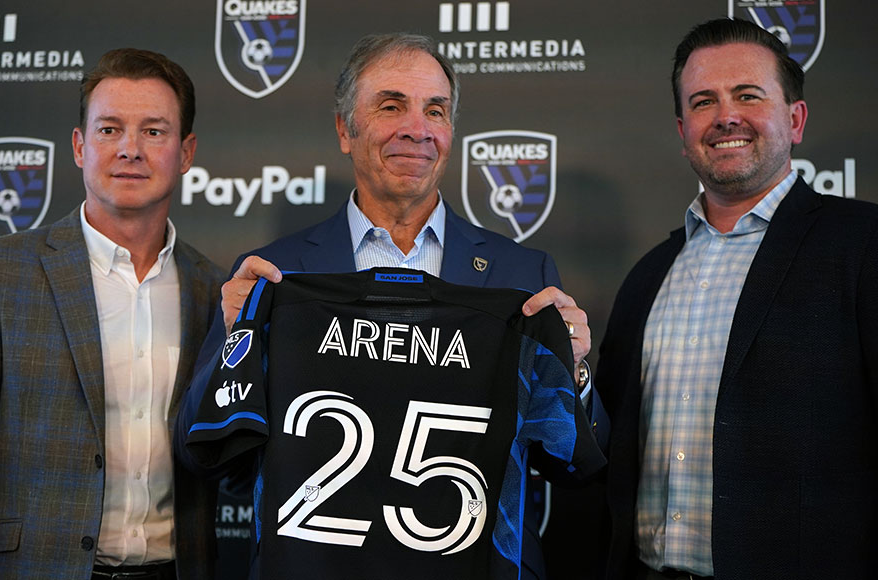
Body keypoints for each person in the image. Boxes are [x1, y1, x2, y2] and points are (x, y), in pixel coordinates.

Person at [176, 33, 608, 580]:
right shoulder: (274, 274)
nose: (418, 129)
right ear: (344, 129)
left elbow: (573, 464)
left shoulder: (523, 278)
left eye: (436, 110)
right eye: (391, 106)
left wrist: (574, 373)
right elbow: (208, 456)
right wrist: (234, 351)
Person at [0, 48, 225, 579]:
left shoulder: (213, 289)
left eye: (154, 131)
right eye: (109, 130)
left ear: (186, 151)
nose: (130, 149)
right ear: (80, 147)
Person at [597, 18, 878, 580]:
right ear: (683, 131)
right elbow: (605, 448)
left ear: (794, 119)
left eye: (748, 95)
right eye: (704, 101)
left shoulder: (864, 246)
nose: (726, 116)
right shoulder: (649, 276)